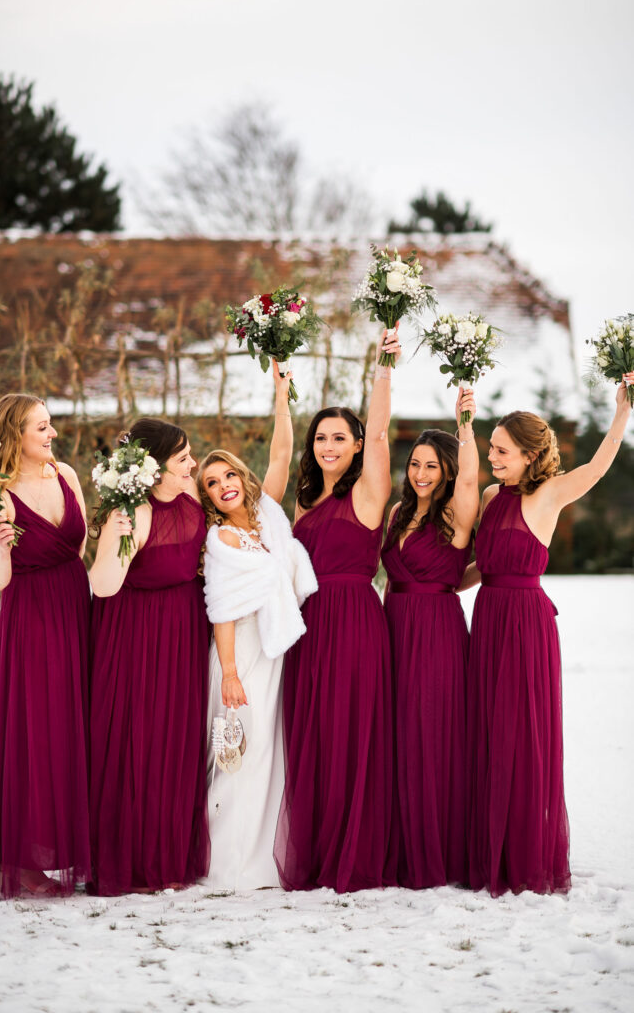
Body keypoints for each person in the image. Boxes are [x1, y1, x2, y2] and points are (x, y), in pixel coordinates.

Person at [464, 373, 634, 896]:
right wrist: (427, 587)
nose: (493, 456)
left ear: (530, 455)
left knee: (522, 734)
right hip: (487, 618)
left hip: (526, 626)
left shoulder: (550, 493)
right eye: (490, 447)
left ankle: (522, 853)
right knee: (486, 731)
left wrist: (622, 411)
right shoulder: (491, 495)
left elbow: (599, 465)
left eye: (502, 449)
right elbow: (474, 566)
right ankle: (484, 846)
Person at [274, 327, 401, 893]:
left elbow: (380, 434)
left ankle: (355, 851)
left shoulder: (368, 494)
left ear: (353, 447)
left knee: (353, 734)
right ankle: (318, 846)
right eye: (321, 437)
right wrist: (278, 389)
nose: (329, 446)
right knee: (314, 736)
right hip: (308, 623)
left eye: (339, 438)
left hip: (354, 620)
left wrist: (383, 367)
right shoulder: (305, 498)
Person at [197, 363, 317, 890]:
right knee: (237, 749)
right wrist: (228, 673)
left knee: (271, 749)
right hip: (240, 652)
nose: (223, 485)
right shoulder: (221, 539)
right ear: (206, 496)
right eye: (211, 483)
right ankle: (224, 862)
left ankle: (262, 857)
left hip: (275, 648)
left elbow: (283, 454)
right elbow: (222, 607)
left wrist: (282, 396)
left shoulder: (266, 517)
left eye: (227, 475)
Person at [0, 394, 90, 898]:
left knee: (79, 723)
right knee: (39, 728)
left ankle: (79, 847)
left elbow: (79, 545)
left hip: (76, 605)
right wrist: (0, 545)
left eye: (51, 424)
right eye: (41, 427)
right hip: (33, 617)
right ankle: (24, 861)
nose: (53, 434)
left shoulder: (66, 474)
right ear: (14, 435)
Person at [88, 418, 209, 894]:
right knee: (134, 741)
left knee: (176, 740)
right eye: (183, 459)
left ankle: (168, 856)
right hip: (135, 633)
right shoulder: (131, 512)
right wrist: (108, 542)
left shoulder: (192, 499)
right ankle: (131, 863)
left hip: (183, 629)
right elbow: (102, 585)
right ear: (154, 469)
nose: (193, 465)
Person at [382, 389, 478, 889]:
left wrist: (465, 425)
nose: (421, 474)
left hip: (436, 631)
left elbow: (471, 477)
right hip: (392, 625)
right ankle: (397, 845)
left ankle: (437, 846)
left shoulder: (456, 514)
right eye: (416, 464)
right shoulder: (399, 512)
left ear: (446, 471)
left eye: (432, 467)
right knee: (396, 733)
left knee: (432, 733)